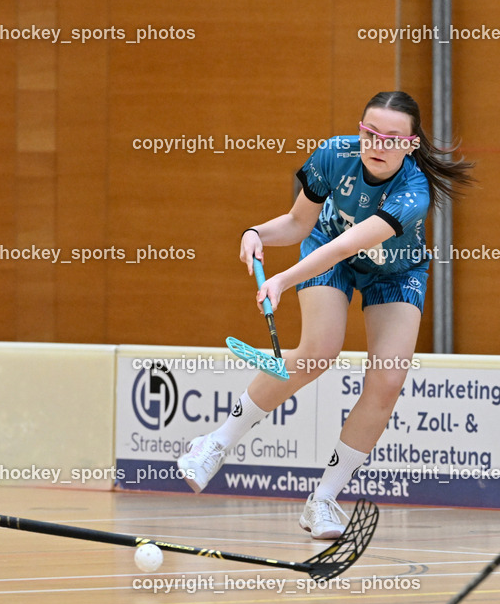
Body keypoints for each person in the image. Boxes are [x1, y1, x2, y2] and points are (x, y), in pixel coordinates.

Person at [177, 91, 474, 538]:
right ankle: (214, 443)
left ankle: (324, 499)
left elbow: (349, 244)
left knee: (388, 378)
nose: (379, 144)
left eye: (393, 138)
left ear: (411, 145)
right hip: (326, 256)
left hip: (394, 271)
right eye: (370, 132)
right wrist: (255, 232)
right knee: (318, 351)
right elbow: (299, 223)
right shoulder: (334, 154)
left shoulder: (414, 191)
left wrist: (280, 280)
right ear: (359, 130)